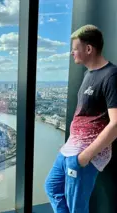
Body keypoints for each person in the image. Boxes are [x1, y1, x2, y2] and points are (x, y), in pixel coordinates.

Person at [44, 25, 117, 212]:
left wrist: (85, 157)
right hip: (71, 149)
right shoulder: (88, 74)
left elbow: (116, 123)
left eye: (75, 48)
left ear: (89, 49)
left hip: (84, 155)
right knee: (52, 187)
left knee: (76, 207)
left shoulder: (111, 76)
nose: (71, 53)